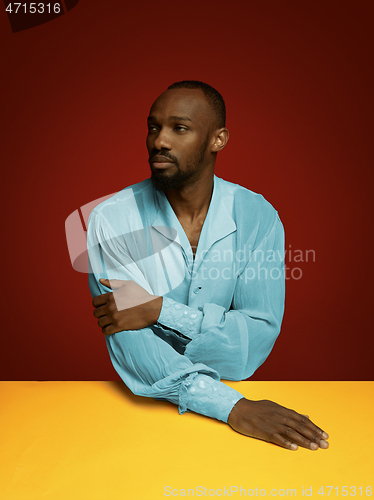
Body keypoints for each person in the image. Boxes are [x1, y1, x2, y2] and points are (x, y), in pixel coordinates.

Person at [87, 80, 329, 451]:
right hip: (141, 422)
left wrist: (159, 311)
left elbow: (253, 344)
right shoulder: (112, 221)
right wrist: (233, 407)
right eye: (154, 127)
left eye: (179, 128)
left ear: (218, 139)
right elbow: (136, 351)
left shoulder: (258, 216)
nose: (159, 141)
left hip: (229, 436)